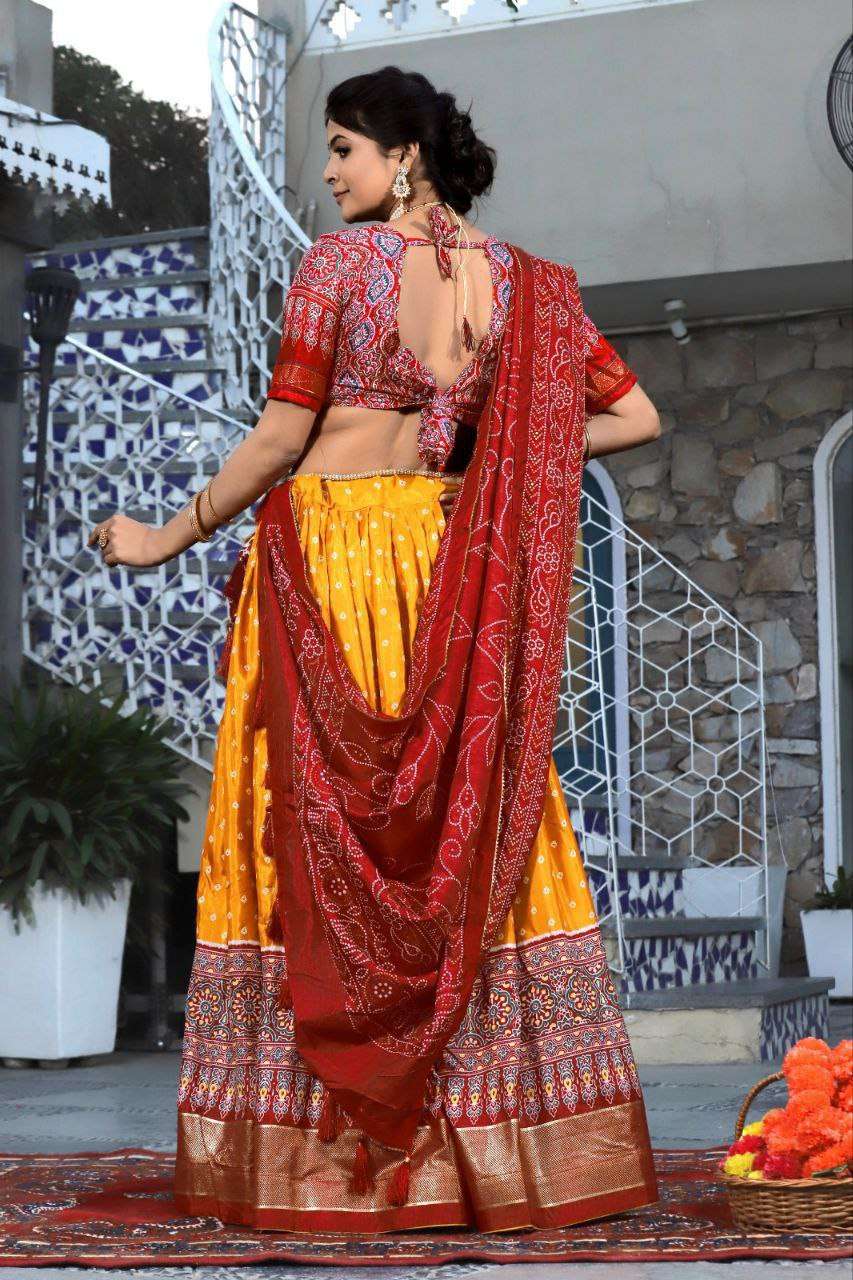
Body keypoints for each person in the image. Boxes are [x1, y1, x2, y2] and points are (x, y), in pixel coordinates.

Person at [88, 65, 663, 1234]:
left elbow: (278, 439)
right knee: (464, 825)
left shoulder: (337, 266)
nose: (327, 171)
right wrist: (491, 459)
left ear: (402, 157)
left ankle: (324, 1160)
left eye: (343, 147)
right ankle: (491, 1152)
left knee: (306, 830)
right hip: (446, 568)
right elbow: (636, 414)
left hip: (332, 567)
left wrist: (162, 536)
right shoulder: (525, 285)